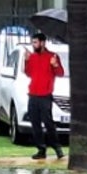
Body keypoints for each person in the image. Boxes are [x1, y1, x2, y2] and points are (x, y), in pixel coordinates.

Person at [23, 32, 64, 161]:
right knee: (35, 123)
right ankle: (41, 148)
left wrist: (55, 64)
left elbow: (60, 73)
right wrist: (27, 60)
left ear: (42, 43)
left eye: (35, 42)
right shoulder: (33, 57)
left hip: (45, 95)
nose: (33, 45)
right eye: (32, 42)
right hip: (33, 94)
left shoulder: (52, 56)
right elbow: (29, 73)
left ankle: (56, 147)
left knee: (48, 122)